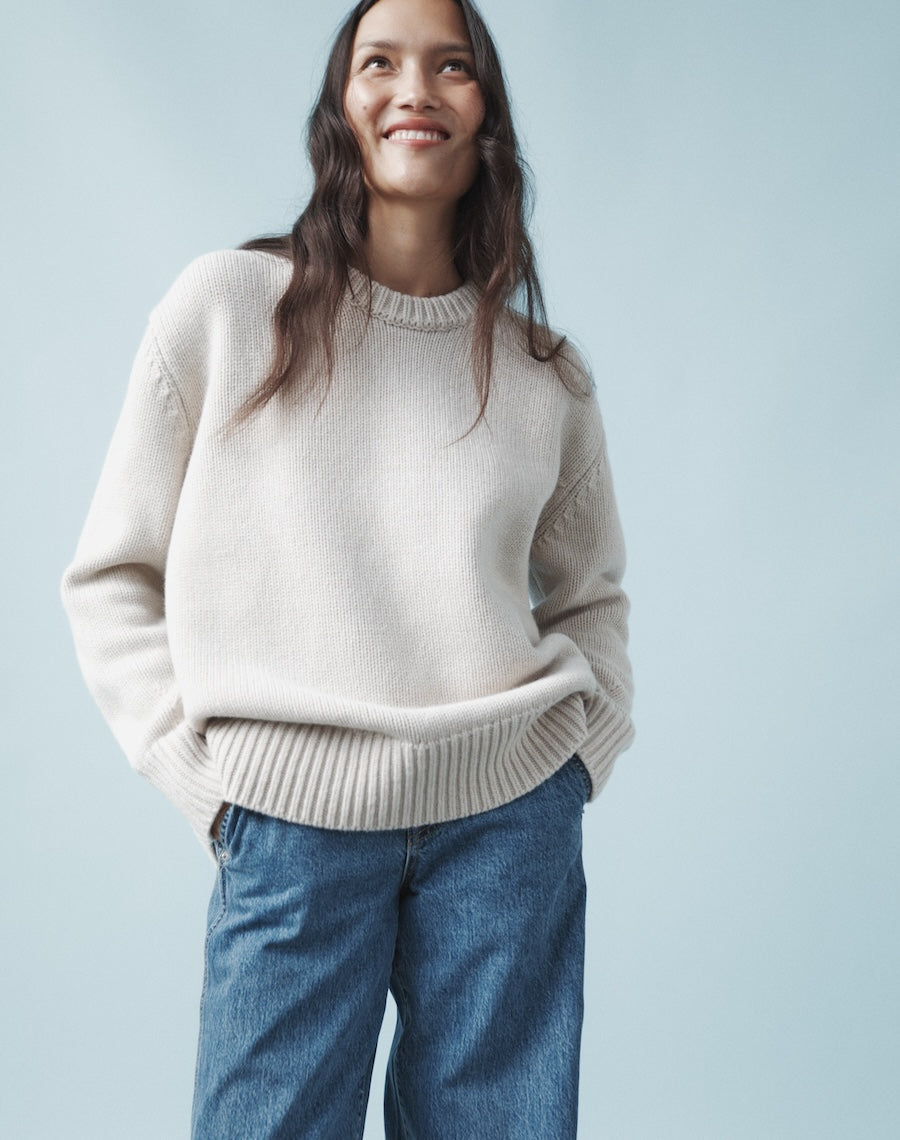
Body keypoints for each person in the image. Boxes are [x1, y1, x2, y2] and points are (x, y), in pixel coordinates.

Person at [60, 0, 635, 1135]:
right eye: (381, 62)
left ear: (488, 117)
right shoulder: (227, 310)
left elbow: (593, 596)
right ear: (342, 105)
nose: (414, 88)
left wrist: (580, 755)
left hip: (507, 820)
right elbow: (111, 574)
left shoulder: (545, 376)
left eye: (451, 66)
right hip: (288, 820)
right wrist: (203, 782)